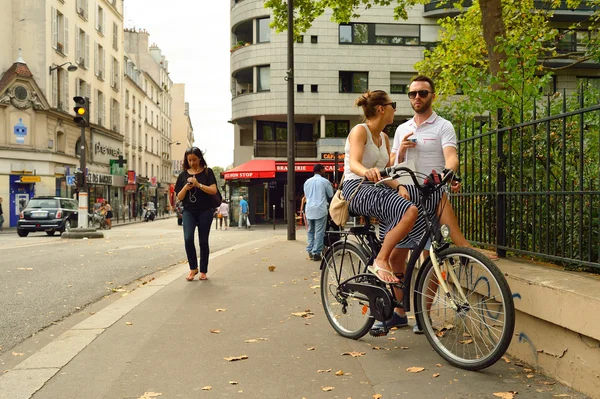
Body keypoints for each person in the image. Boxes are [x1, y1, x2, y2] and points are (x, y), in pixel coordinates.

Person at [384, 75, 497, 334]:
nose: (417, 98)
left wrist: (448, 175)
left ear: (432, 95)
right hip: (405, 197)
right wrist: (400, 150)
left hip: (433, 195)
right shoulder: (402, 129)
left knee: (433, 257)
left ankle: (423, 315)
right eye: (412, 94)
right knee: (395, 255)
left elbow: (452, 158)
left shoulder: (443, 126)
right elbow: (391, 164)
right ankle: (400, 311)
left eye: (422, 93)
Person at [343, 89, 430, 293]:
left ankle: (386, 289)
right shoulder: (360, 130)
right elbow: (354, 164)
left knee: (411, 207)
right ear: (382, 109)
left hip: (378, 187)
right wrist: (368, 172)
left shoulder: (383, 137)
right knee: (409, 211)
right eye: (393, 105)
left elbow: (387, 168)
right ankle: (381, 260)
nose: (395, 109)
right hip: (357, 189)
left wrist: (399, 184)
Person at [175, 147, 219, 281]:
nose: (192, 163)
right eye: (189, 160)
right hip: (189, 211)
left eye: (194, 159)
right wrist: (185, 187)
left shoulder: (207, 172)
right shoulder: (183, 175)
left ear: (200, 158)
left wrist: (198, 184)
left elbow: (213, 190)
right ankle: (193, 268)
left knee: (203, 240)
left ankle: (203, 270)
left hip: (205, 210)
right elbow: (179, 197)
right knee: (188, 238)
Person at [303, 164, 334, 261]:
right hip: (320, 209)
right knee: (319, 232)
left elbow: (306, 195)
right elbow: (331, 194)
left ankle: (310, 250)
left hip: (309, 209)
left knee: (310, 231)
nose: (324, 171)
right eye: (324, 169)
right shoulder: (325, 181)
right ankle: (316, 252)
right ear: (321, 170)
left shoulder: (307, 182)